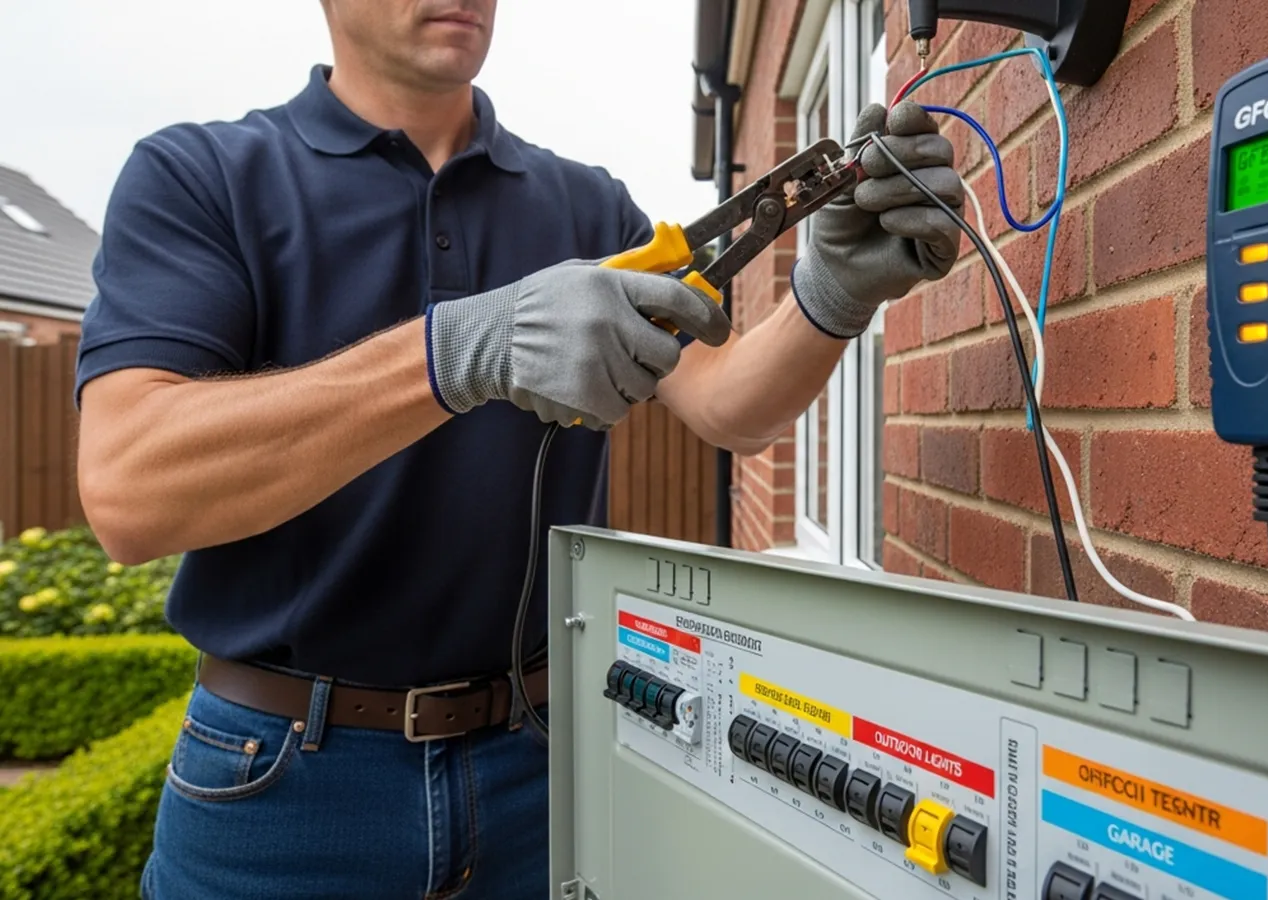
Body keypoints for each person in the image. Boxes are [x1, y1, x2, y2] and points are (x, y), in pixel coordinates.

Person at [74, 1, 962, 896]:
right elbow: (128, 491)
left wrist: (831, 295)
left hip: (540, 761)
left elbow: (729, 410)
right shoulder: (202, 176)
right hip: (281, 783)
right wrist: (457, 351)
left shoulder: (587, 206)